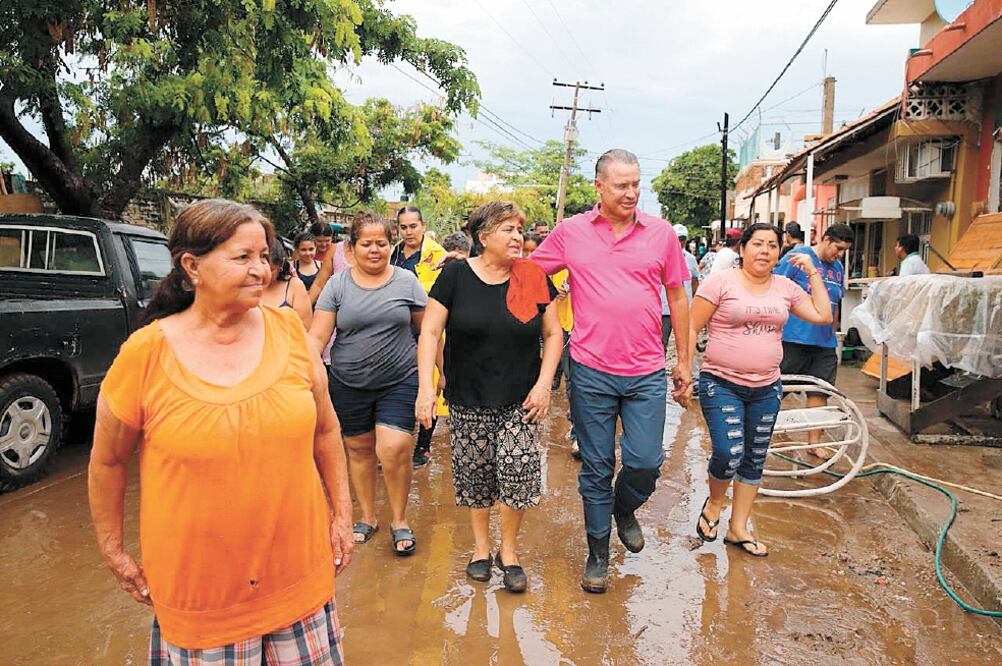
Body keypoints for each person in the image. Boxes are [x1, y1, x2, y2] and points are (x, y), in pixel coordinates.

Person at [88, 199, 352, 663]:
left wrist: (342, 515)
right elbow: (108, 461)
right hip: (201, 596)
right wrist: (114, 551)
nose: (261, 271)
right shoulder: (146, 354)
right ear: (192, 266)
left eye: (265, 256)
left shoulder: (289, 331)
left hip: (298, 578)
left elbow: (326, 430)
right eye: (243, 257)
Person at [530, 148, 692, 594]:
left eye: (637, 184)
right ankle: (598, 553)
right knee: (597, 466)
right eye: (622, 185)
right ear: (598, 187)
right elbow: (530, 274)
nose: (631, 193)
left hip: (644, 371)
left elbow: (677, 297)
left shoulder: (660, 234)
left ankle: (625, 508)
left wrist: (684, 359)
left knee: (645, 462)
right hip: (589, 368)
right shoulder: (571, 232)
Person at [416, 201, 562, 593]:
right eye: (508, 230)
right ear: (483, 237)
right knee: (476, 475)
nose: (518, 237)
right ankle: (481, 550)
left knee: (517, 471)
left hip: (521, 397)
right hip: (468, 395)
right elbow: (430, 332)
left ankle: (508, 552)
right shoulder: (455, 276)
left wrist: (544, 384)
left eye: (519, 229)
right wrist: (426, 388)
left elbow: (553, 334)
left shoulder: (533, 276)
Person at [690, 223, 832, 557]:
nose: (765, 250)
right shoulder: (720, 282)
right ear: (743, 249)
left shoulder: (785, 286)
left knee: (754, 458)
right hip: (721, 382)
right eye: (757, 243)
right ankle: (714, 503)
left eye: (772, 245)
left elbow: (823, 314)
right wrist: (682, 369)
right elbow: (691, 324)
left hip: (767, 387)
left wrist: (813, 272)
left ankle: (738, 529)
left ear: (780, 252)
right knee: (728, 452)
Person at [311, 212, 428, 555]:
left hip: (400, 378)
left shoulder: (406, 282)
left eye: (382, 243)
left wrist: (437, 374)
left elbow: (428, 331)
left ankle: (399, 519)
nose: (375, 250)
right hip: (348, 381)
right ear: (351, 247)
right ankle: (367, 516)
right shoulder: (338, 285)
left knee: (393, 449)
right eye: (367, 243)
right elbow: (317, 336)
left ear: (391, 245)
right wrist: (304, 372)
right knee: (359, 451)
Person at [774, 223, 852, 460]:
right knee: (775, 390)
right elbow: (775, 289)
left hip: (824, 343)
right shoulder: (797, 258)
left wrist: (835, 333)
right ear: (826, 239)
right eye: (837, 248)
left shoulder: (838, 268)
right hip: (793, 339)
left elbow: (835, 303)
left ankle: (814, 443)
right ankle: (754, 434)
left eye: (844, 250)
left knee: (820, 392)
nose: (839, 254)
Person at [389, 205, 449, 468]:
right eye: (403, 227)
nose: (409, 231)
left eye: (413, 226)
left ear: (423, 226)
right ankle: (397, 438)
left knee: (431, 384)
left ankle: (423, 445)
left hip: (430, 328)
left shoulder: (438, 255)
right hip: (398, 330)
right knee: (399, 384)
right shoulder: (393, 254)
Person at [660, 223, 701, 352]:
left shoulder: (690, 259)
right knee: (662, 343)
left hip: (684, 308)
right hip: (664, 309)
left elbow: (695, 280)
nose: (679, 242)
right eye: (677, 238)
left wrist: (694, 301)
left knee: (686, 343)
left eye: (682, 239)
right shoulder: (661, 256)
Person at [262, 237, 313, 329]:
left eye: (271, 270)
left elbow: (305, 330)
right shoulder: (246, 287)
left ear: (280, 266)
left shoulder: (294, 287)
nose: (265, 274)